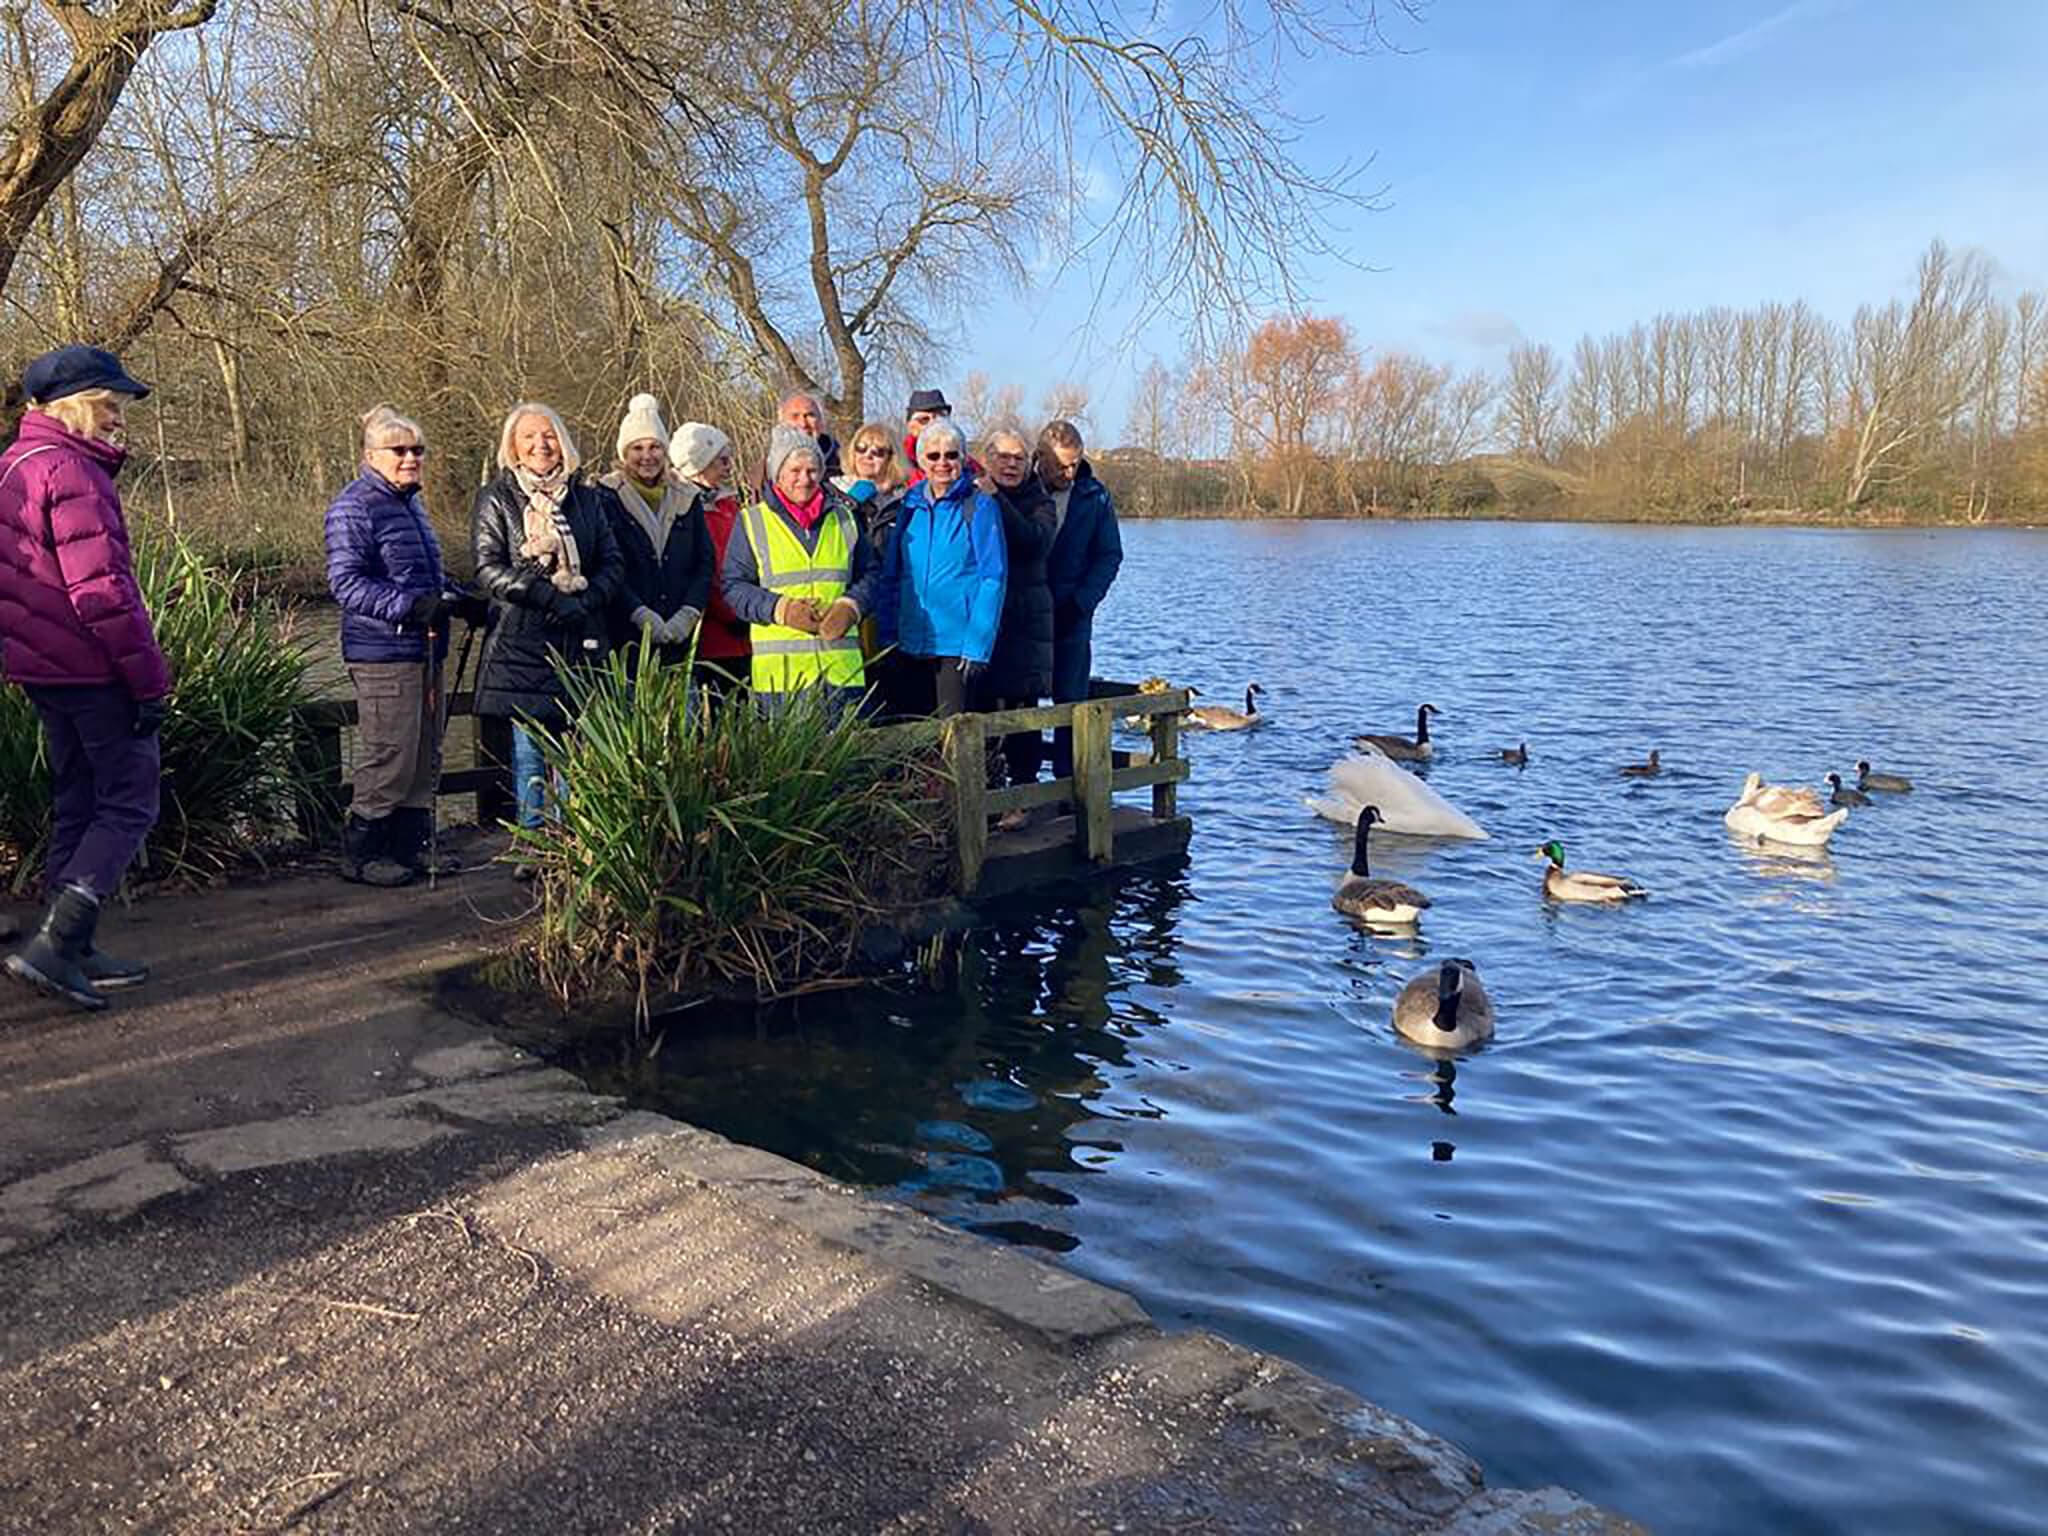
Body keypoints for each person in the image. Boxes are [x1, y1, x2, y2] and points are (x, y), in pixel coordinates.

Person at [0, 345, 167, 1011]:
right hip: (90, 665)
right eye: (110, 404)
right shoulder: (72, 472)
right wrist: (149, 681)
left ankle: (69, 937)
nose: (119, 418)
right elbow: (103, 593)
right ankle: (57, 945)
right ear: (72, 404)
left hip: (42, 664)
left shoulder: (15, 464)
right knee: (130, 800)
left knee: (77, 795)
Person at [324, 404, 484, 886]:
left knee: (425, 749)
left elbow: (425, 578)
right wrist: (410, 608)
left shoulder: (410, 503)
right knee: (390, 752)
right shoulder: (355, 507)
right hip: (384, 653)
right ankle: (362, 853)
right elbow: (345, 584)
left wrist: (459, 599)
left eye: (418, 450)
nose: (411, 457)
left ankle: (413, 846)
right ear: (372, 455)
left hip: (426, 648)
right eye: (399, 450)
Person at [471, 402, 625, 832]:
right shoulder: (497, 499)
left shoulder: (588, 499)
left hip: (581, 635)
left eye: (549, 435)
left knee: (581, 745)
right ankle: (535, 841)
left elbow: (613, 561)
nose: (541, 445)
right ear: (514, 448)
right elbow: (487, 569)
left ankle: (575, 837)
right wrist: (546, 595)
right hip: (525, 640)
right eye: (529, 437)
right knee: (530, 749)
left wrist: (588, 598)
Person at [721, 425, 876, 715]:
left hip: (842, 675)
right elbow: (734, 587)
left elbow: (871, 575)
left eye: (812, 470)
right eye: (795, 470)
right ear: (778, 473)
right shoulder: (752, 522)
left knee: (849, 760)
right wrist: (781, 609)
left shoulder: (845, 518)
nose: (804, 479)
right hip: (783, 682)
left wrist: (851, 607)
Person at [878, 419, 1007, 718]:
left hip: (956, 646)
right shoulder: (908, 505)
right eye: (933, 456)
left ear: (963, 458)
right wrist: (888, 635)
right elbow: (891, 575)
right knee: (914, 740)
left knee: (954, 740)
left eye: (951, 455)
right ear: (921, 461)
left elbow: (993, 577)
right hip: (909, 641)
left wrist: (977, 645)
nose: (942, 463)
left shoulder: (978, 506)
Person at [598, 393, 712, 674]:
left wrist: (688, 612)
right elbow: (605, 564)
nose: (647, 456)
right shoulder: (605, 498)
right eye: (637, 448)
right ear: (625, 454)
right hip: (626, 638)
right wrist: (639, 613)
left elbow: (704, 561)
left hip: (680, 635)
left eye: (654, 447)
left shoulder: (687, 497)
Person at [1038, 419, 1123, 778]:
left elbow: (1109, 555)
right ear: (1041, 457)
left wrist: (1084, 601)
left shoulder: (1094, 496)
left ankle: (1067, 791)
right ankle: (1016, 790)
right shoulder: (1020, 489)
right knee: (1016, 705)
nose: (1069, 472)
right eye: (1060, 465)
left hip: (1072, 613)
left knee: (1071, 705)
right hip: (1025, 615)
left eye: (1075, 464)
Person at [980, 427, 1057, 793]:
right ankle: (988, 794)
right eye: (1003, 457)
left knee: (1022, 713)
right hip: (986, 622)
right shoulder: (974, 498)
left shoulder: (1040, 502)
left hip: (1025, 623)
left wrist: (998, 501)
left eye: (1019, 458)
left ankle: (1023, 794)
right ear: (987, 458)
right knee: (982, 709)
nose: (1011, 464)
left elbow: (1033, 541)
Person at [669, 420, 748, 702]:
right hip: (710, 634)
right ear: (702, 463)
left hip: (741, 632)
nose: (728, 467)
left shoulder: (731, 505)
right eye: (722, 461)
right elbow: (704, 568)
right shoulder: (685, 508)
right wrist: (731, 612)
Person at [777, 391, 842, 478]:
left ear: (821, 422)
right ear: (782, 423)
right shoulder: (762, 472)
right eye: (795, 416)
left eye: (810, 415)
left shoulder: (843, 465)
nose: (803, 424)